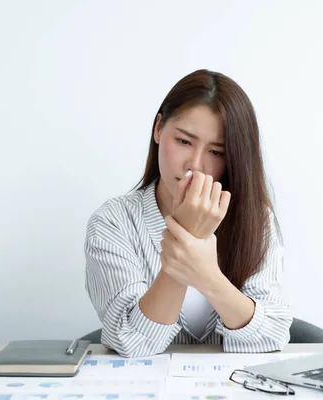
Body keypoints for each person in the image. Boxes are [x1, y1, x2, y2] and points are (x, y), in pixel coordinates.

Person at [84, 69, 292, 358]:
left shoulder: (256, 219)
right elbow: (132, 343)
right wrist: (187, 237)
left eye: (216, 152)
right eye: (183, 142)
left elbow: (272, 335)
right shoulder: (113, 222)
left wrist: (207, 274)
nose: (195, 165)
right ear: (158, 129)